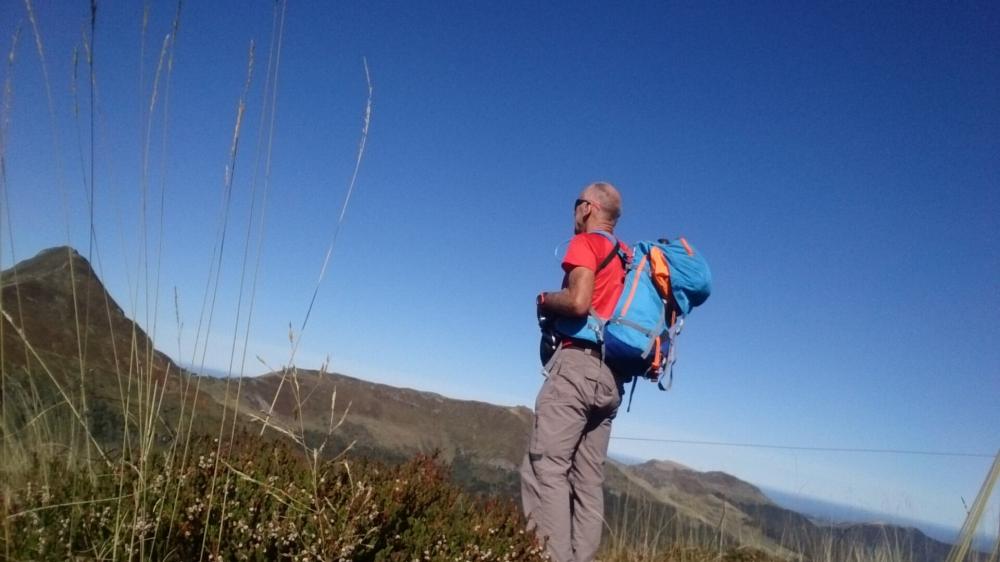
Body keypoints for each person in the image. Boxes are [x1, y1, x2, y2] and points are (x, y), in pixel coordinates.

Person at [521, 181, 629, 562]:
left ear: (588, 207)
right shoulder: (628, 258)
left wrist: (545, 298)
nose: (573, 211)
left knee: (544, 468)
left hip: (576, 369)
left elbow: (580, 302)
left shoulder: (587, 243)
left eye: (575, 203)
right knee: (587, 479)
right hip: (612, 380)